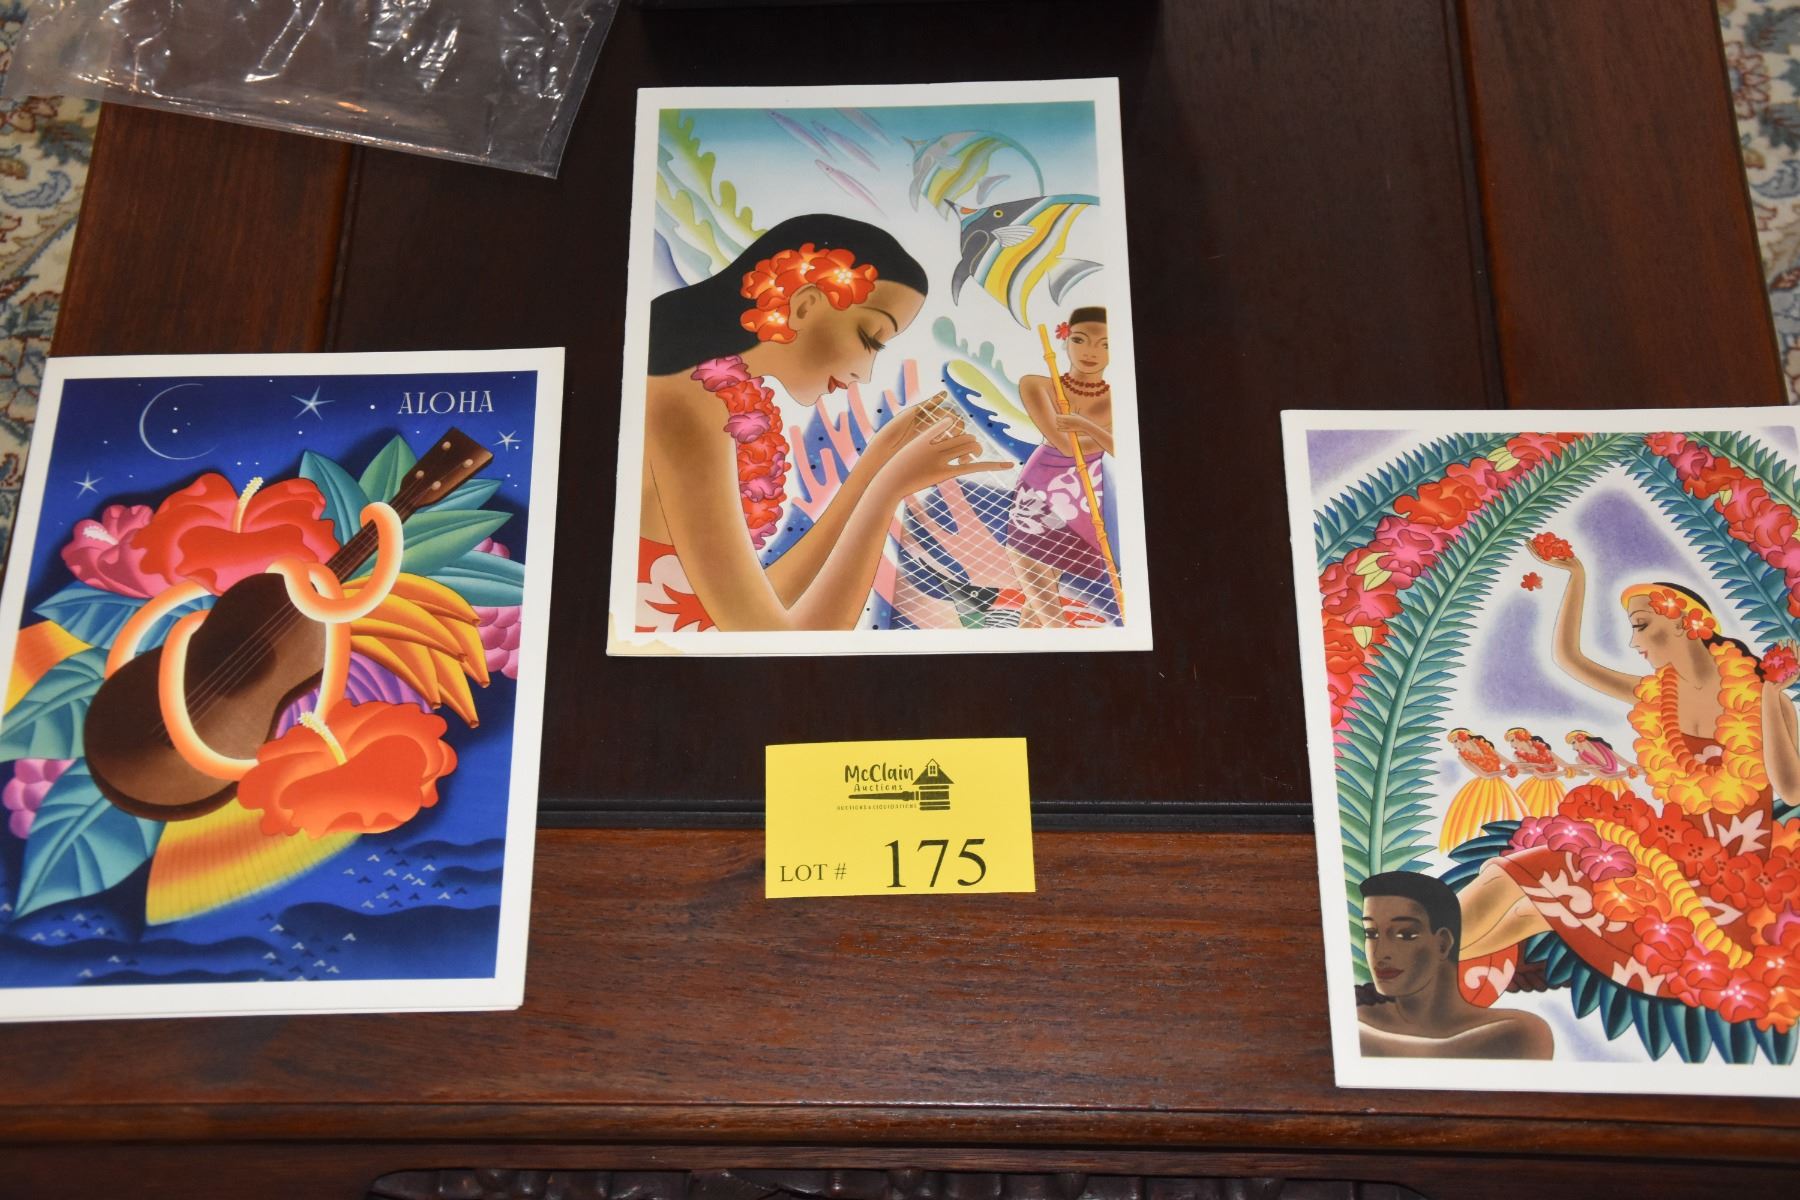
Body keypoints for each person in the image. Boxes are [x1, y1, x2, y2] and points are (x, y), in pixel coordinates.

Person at [1453, 539, 1800, 1037]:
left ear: (1684, 621)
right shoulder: (1655, 694)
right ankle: (1421, 976)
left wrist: (1770, 696)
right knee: (1524, 887)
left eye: (1641, 625)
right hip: (1666, 851)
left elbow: (1792, 787)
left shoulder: (1762, 694)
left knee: (1533, 894)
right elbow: (1570, 659)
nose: (1635, 643)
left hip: (1724, 889)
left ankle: (1422, 967)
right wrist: (1576, 575)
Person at [637, 214, 1009, 633]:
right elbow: (776, 642)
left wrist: (875, 465)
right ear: (804, 305)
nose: (864, 373)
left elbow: (764, 602)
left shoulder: (711, 394)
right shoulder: (691, 404)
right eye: (869, 339)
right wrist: (887, 490)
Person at [1356, 871, 1553, 1058]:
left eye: (1405, 935)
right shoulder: (1359, 1018)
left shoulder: (1521, 1032)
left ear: (1443, 943)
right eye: (1371, 933)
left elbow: (1439, 1056)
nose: (1379, 953)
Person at [1006, 306, 1114, 628]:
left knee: (1037, 609)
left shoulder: (1119, 397)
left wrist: (1085, 425)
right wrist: (1101, 435)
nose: (1091, 352)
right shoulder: (1037, 384)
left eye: (1105, 344)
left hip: (1085, 495)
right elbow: (1065, 444)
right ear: (1065, 340)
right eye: (1080, 340)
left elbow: (1119, 448)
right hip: (1039, 490)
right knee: (1047, 610)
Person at [1439, 728, 1525, 851]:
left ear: (1464, 737)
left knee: (1503, 811)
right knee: (1478, 816)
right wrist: (1505, 772)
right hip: (1481, 787)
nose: (1455, 746)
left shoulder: (1487, 748)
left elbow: (1510, 763)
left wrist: (1536, 766)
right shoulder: (1462, 757)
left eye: (1456, 741)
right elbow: (1485, 775)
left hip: (1499, 786)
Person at [1503, 726, 1575, 818]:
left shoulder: (1543, 749)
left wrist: (1583, 767)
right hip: (1536, 786)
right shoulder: (1518, 756)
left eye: (1512, 740)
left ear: (1521, 736)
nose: (1511, 746)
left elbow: (1565, 764)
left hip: (1554, 785)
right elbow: (1542, 776)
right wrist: (1564, 772)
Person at [1563, 729, 1641, 798]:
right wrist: (1628, 772)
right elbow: (1606, 777)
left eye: (1573, 743)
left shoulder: (1604, 748)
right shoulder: (1580, 759)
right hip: (1601, 785)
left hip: (1618, 781)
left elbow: (1625, 763)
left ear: (1581, 738)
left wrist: (1644, 769)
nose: (1573, 748)